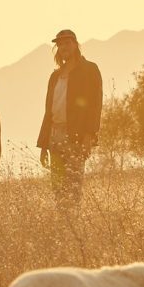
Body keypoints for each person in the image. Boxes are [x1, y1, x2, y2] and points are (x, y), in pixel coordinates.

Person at [36, 29, 102, 211]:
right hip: (54, 134)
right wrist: (44, 144)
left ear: (75, 44)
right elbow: (48, 111)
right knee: (57, 187)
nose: (63, 47)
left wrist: (89, 135)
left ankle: (73, 228)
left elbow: (95, 105)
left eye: (67, 43)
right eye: (60, 44)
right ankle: (63, 226)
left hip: (76, 134)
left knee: (73, 186)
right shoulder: (55, 76)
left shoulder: (89, 69)